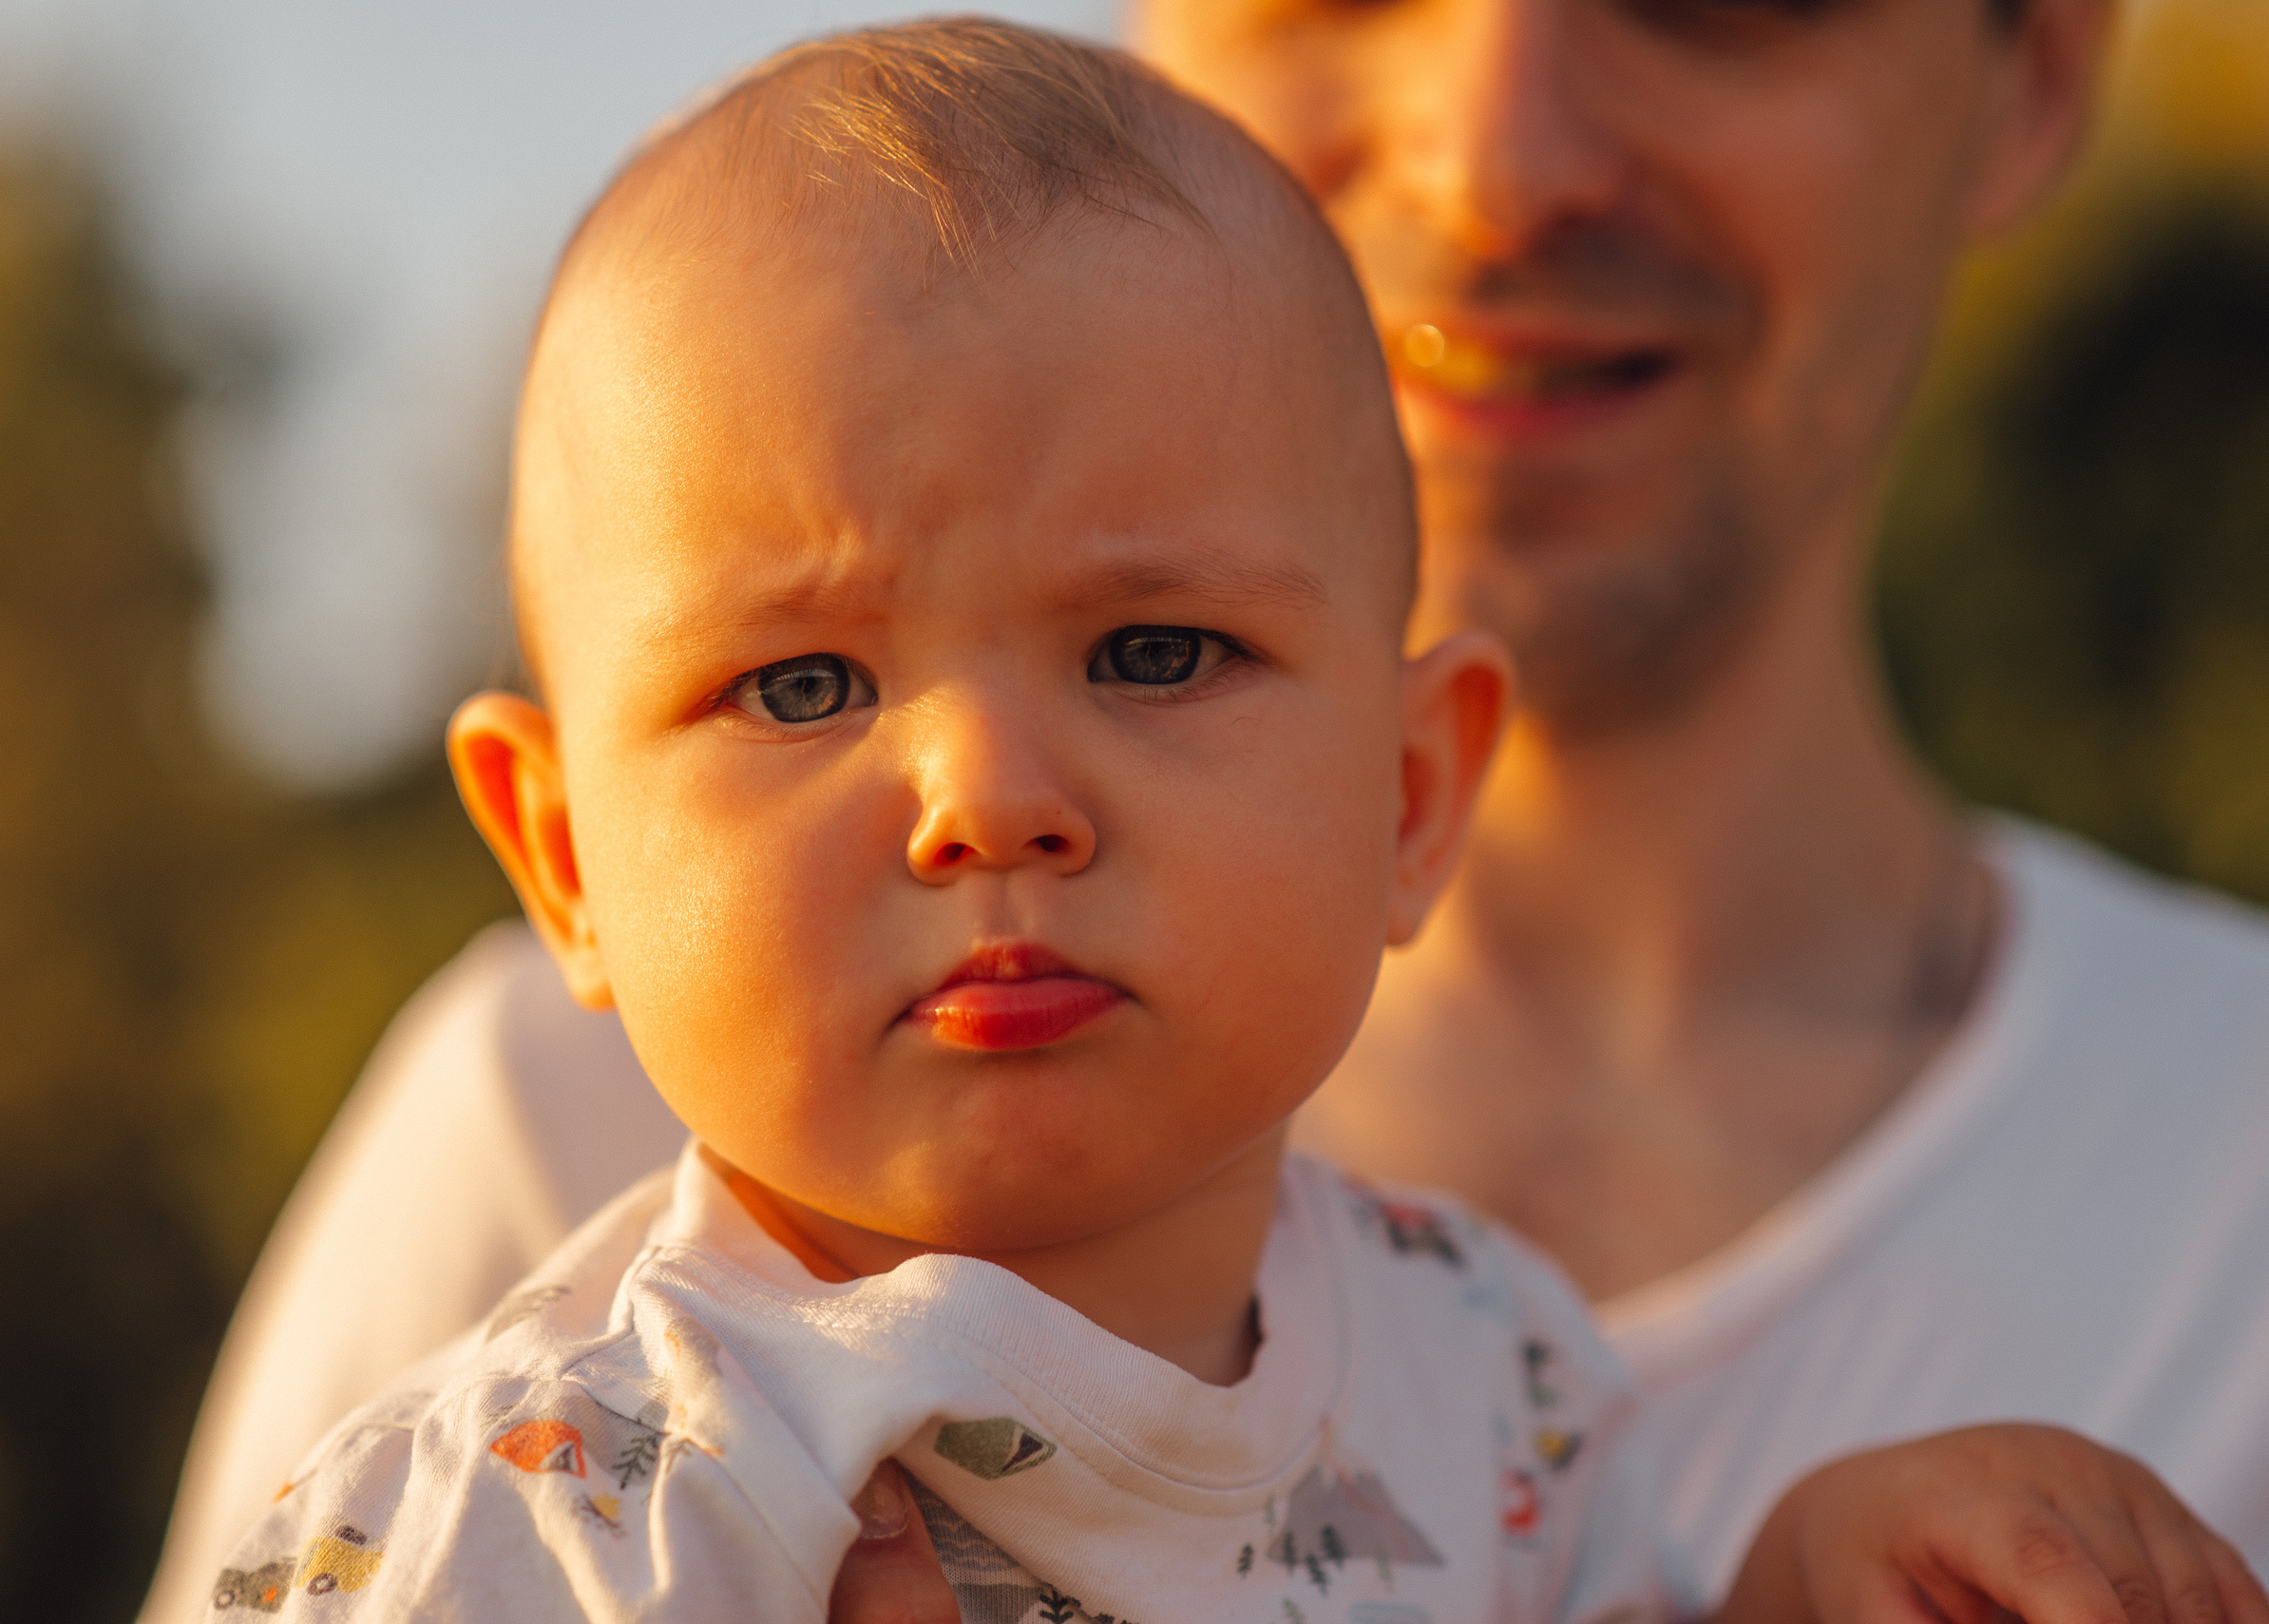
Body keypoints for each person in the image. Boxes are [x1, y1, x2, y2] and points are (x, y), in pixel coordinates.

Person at [142, 0, 2269, 1618]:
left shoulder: (1486, 1367)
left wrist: (1807, 1572)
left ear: (1417, 787)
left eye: (1152, 652)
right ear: (561, 852)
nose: (983, 796)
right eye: (798, 684)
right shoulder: (559, 1469)